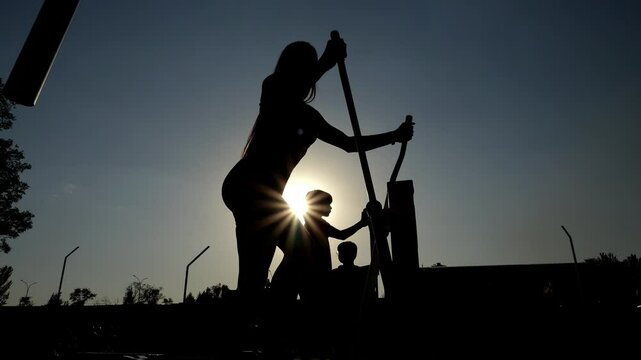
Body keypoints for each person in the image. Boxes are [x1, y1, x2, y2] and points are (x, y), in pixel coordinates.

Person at [220, 36, 414, 343]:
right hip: (248, 188)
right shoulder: (272, 89)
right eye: (305, 66)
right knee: (258, 274)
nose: (309, 73)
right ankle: (240, 336)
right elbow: (293, 87)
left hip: (269, 198)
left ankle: (270, 321)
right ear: (293, 68)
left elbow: (350, 145)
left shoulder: (310, 118)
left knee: (296, 258)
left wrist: (394, 135)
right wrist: (328, 59)